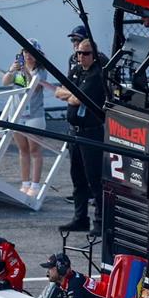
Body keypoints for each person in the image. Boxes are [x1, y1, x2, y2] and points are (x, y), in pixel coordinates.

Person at [55, 38, 107, 235]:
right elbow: (59, 92)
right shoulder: (76, 70)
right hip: (74, 131)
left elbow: (78, 98)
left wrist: (70, 95)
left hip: (91, 132)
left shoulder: (96, 74)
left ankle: (100, 222)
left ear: (94, 55)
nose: (81, 57)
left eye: (85, 54)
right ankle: (80, 218)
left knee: (94, 178)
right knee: (77, 177)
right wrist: (70, 95)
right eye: (78, 53)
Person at [3, 41, 50, 197]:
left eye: (31, 52)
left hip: (34, 114)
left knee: (35, 150)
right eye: (25, 52)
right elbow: (5, 82)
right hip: (17, 114)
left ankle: (35, 185)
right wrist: (12, 71)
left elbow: (34, 87)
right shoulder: (17, 67)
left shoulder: (41, 70)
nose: (28, 56)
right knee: (23, 150)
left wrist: (26, 72)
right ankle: (25, 183)